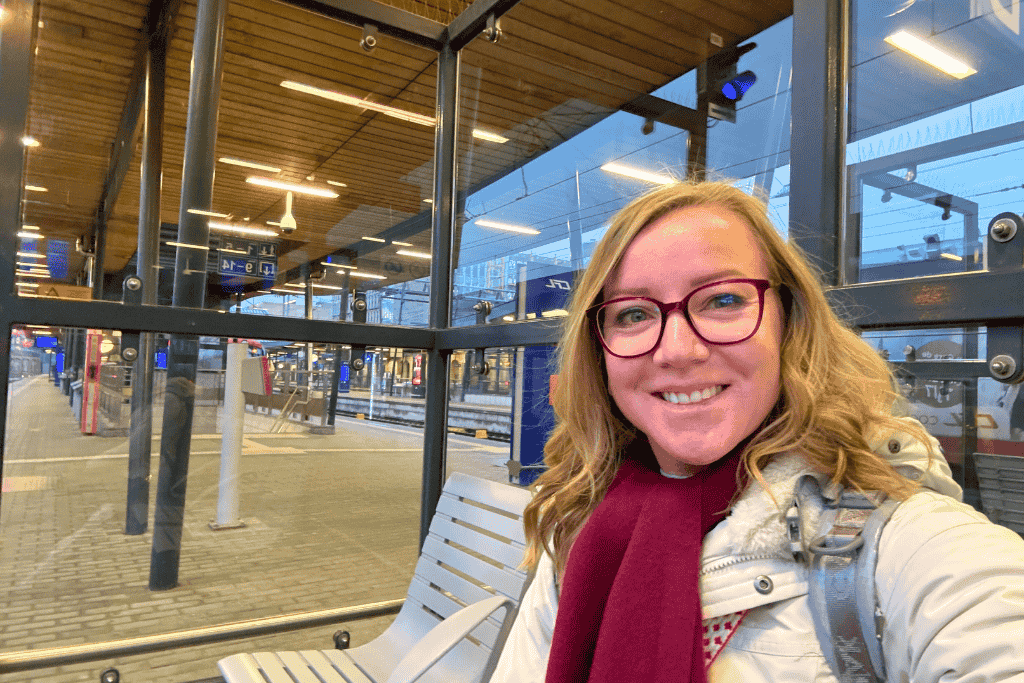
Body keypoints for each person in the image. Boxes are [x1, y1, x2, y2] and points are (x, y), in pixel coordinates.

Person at [491, 180, 1024, 682]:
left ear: (788, 322)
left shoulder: (906, 548)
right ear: (599, 349)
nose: (677, 350)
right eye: (633, 314)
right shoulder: (584, 521)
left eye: (723, 300)